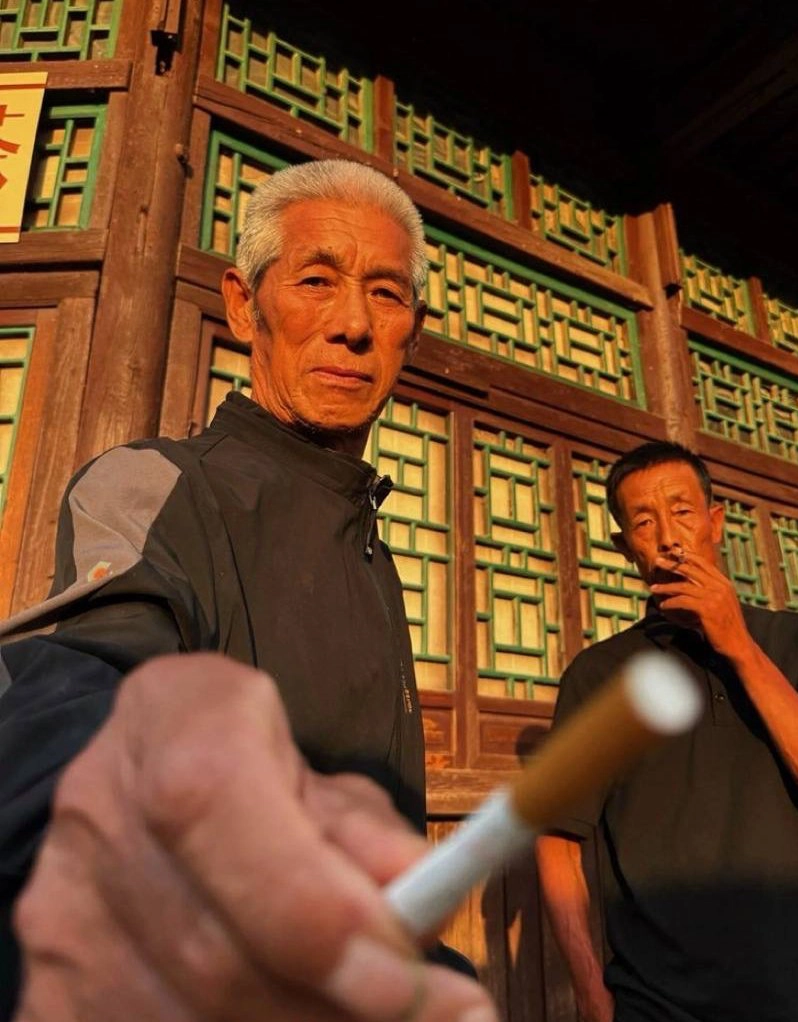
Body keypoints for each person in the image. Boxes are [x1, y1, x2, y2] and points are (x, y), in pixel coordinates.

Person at [0, 159, 495, 1022]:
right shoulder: (159, 487)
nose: (353, 325)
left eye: (385, 294)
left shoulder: (366, 546)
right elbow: (85, 696)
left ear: (411, 331)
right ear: (242, 304)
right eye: (316, 281)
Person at [535, 441, 798, 1022]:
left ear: (715, 522)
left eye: (682, 511)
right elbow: (557, 839)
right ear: (624, 547)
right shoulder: (597, 675)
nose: (668, 537)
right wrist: (590, 993)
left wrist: (738, 645)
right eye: (644, 522)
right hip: (666, 1004)